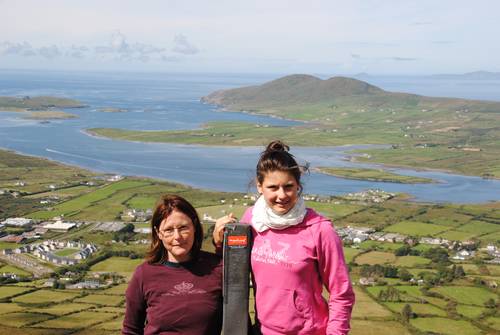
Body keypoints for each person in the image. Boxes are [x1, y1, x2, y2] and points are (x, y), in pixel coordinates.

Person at [214, 140, 355, 335]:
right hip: (262, 331)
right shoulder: (252, 220)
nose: (282, 195)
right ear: (259, 187)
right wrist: (220, 242)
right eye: (273, 187)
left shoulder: (320, 231)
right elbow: (234, 271)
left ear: (298, 185)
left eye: (288, 186)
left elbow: (341, 293)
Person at [123, 194, 222, 335]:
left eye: (183, 228)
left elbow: (238, 321)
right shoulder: (144, 274)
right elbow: (131, 330)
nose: (177, 236)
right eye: (169, 230)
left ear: (194, 226)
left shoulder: (217, 268)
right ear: (159, 233)